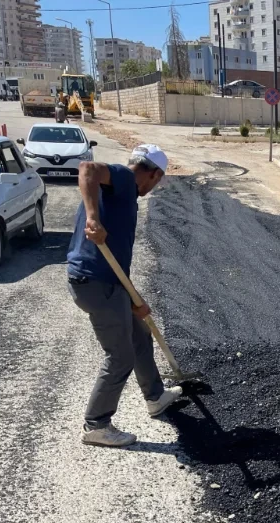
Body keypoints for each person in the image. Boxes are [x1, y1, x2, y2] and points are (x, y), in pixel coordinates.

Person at [67, 144, 181, 448]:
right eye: (157, 181)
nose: (154, 187)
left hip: (111, 281)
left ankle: (155, 397)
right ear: (154, 174)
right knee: (120, 355)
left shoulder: (125, 192)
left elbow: (116, 256)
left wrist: (133, 299)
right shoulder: (123, 177)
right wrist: (93, 218)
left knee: (140, 334)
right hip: (95, 282)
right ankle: (97, 424)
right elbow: (87, 169)